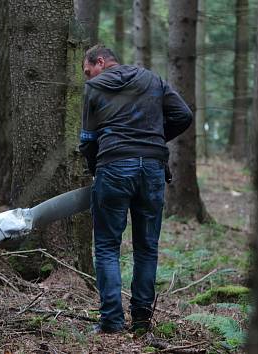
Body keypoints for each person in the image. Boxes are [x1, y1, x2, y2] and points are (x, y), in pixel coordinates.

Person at [80, 45, 193, 334]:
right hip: (152, 169)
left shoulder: (93, 89)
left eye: (87, 70)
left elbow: (87, 140)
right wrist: (153, 139)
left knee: (106, 247)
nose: (87, 77)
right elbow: (183, 115)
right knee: (147, 248)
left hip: (114, 167)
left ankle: (112, 322)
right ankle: (142, 322)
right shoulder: (152, 79)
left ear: (100, 62)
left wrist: (99, 168)